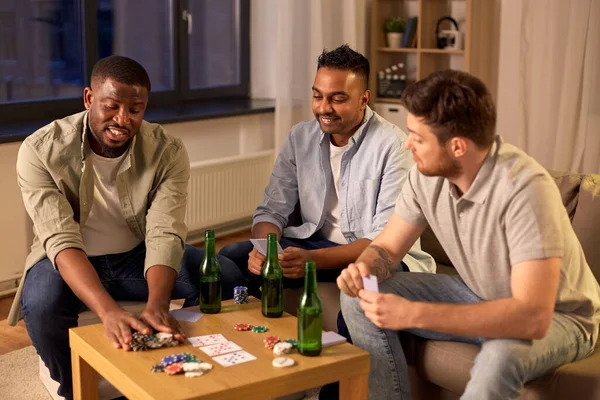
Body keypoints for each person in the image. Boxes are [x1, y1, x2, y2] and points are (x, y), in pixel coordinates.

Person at [338, 69, 600, 399]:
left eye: (418, 138)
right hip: (478, 292)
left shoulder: (525, 191)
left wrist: (413, 313)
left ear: (458, 146)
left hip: (561, 318)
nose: (408, 144)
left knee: (498, 355)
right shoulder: (425, 175)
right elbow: (387, 249)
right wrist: (364, 268)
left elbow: (532, 317)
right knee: (357, 298)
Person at [7, 55, 243, 399]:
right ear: (89, 98)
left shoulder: (167, 150)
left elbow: (165, 231)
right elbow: (60, 240)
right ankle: (75, 388)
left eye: (135, 109)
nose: (123, 119)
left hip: (136, 256)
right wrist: (109, 312)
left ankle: (195, 374)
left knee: (222, 273)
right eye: (111, 106)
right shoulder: (41, 149)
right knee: (41, 303)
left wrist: (158, 305)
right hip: (68, 262)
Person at [219, 44, 435, 299]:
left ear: (363, 99)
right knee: (231, 257)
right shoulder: (301, 137)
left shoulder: (394, 146)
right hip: (315, 244)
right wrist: (267, 249)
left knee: (362, 286)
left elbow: (384, 240)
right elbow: (272, 209)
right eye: (318, 96)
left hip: (379, 256)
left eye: (337, 98)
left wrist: (311, 260)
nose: (323, 108)